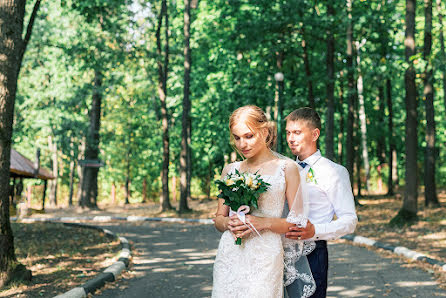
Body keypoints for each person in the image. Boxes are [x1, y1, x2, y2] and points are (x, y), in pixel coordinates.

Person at [231, 107, 358, 298]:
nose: (291, 138)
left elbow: (350, 220)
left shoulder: (334, 172)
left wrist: (316, 230)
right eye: (289, 132)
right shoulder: (281, 167)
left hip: (311, 251)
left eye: (297, 132)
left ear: (315, 134)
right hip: (272, 250)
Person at [212, 105, 313, 298]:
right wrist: (228, 223)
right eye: (237, 137)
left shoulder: (286, 168)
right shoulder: (230, 170)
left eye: (248, 136)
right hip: (230, 252)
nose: (242, 144)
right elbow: (218, 219)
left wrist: (262, 222)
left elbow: (298, 223)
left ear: (264, 131)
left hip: (266, 254)